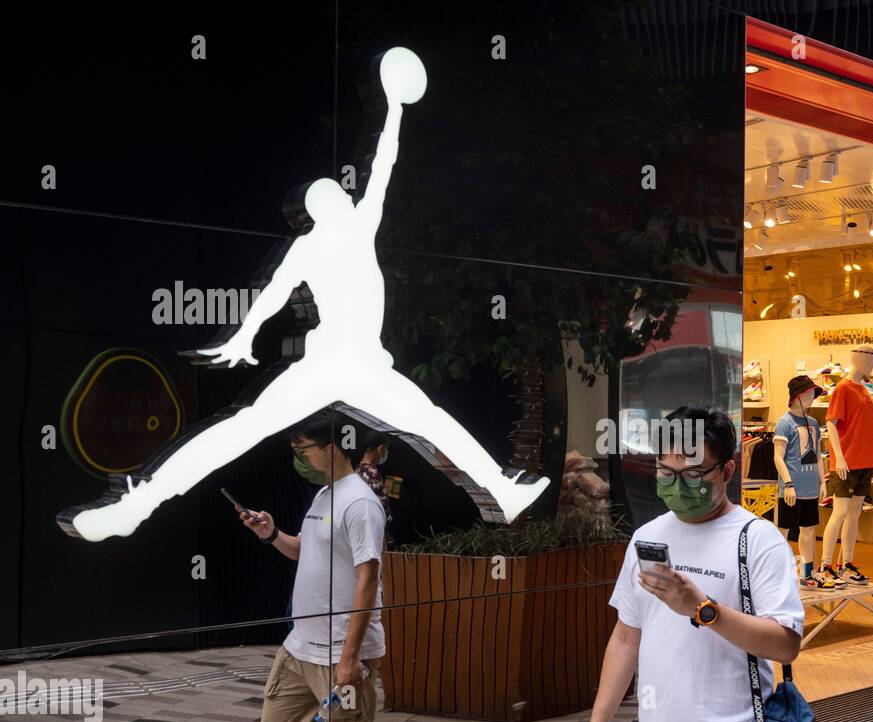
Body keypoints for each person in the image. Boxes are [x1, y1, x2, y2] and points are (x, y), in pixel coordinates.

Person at [59, 47, 546, 544]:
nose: (338, 193)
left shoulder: (358, 226)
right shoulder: (310, 246)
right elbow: (271, 293)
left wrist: (394, 106)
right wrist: (243, 336)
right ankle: (134, 504)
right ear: (318, 207)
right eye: (327, 193)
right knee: (240, 429)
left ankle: (501, 490)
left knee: (432, 422)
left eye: (335, 190)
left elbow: (383, 163)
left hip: (368, 368)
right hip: (327, 363)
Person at [584, 406, 804, 722]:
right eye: (665, 471)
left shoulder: (758, 541)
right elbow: (626, 636)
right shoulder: (647, 538)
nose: (675, 483)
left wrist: (702, 609)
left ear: (727, 470)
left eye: (692, 472)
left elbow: (785, 644)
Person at [230, 409, 391, 722]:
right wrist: (272, 534)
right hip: (301, 645)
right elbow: (309, 550)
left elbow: (368, 579)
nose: (298, 457)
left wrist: (350, 658)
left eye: (303, 449)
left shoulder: (359, 502)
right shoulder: (325, 494)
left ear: (331, 446)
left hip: (339, 649)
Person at [772, 375, 828, 587]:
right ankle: (776, 573)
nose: (812, 397)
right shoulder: (784, 422)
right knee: (783, 531)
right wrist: (787, 484)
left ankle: (807, 572)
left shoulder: (813, 422)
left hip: (811, 487)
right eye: (808, 393)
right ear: (796, 395)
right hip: (791, 488)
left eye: (813, 394)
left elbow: (819, 455)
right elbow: (778, 456)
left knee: (809, 529)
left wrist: (823, 482)